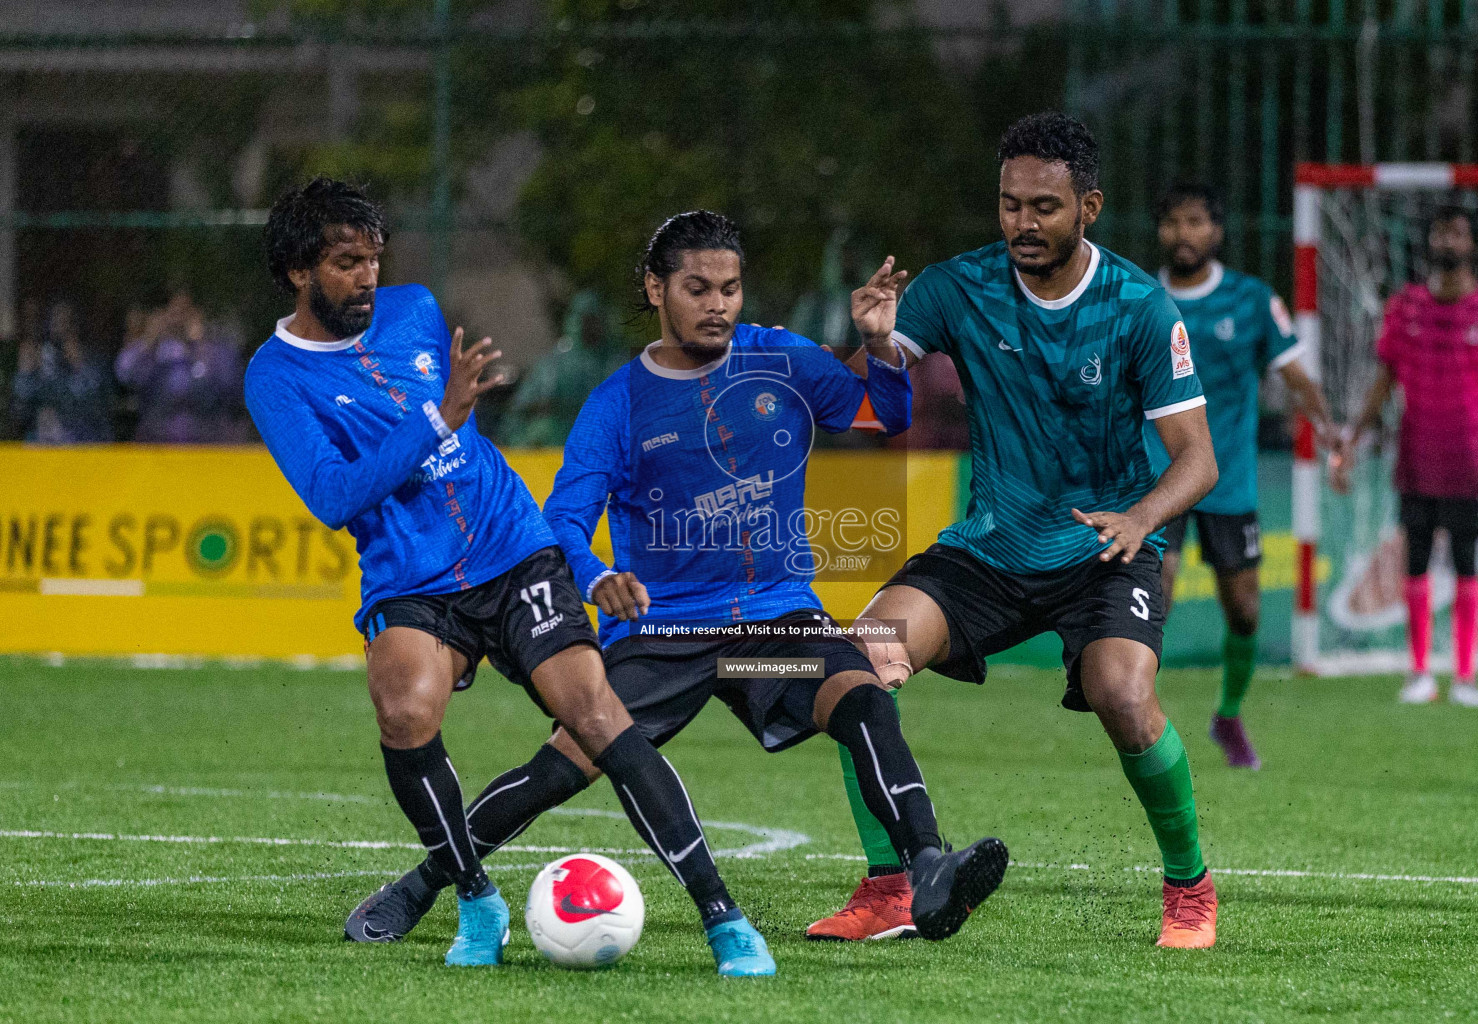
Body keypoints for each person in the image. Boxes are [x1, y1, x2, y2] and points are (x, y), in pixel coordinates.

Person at [349, 210, 1009, 950]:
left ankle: (928, 867)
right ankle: (423, 885)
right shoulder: (618, 402)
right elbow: (563, 522)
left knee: (859, 698)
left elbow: (881, 413)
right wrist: (597, 575)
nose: (718, 304)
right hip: (662, 637)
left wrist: (881, 344)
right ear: (656, 289)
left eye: (730, 288)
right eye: (698, 288)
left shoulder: (781, 361)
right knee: (561, 770)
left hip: (770, 627)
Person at [246, 178, 768, 975]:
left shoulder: (414, 308)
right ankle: (474, 898)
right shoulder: (275, 376)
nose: (368, 278)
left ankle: (724, 919)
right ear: (297, 271)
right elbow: (332, 495)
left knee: (595, 714)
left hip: (512, 548)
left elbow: (459, 436)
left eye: (374, 259)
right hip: (411, 580)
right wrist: (436, 420)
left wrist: (451, 430)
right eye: (347, 263)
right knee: (405, 709)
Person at [811, 112, 1223, 949]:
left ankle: (1189, 888)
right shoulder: (959, 286)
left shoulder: (1139, 306)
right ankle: (890, 886)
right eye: (1008, 206)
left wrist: (1142, 516)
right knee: (855, 663)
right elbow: (862, 406)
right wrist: (875, 346)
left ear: (1090, 208)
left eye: (1043, 207)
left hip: (1105, 547)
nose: (1022, 225)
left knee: (1123, 694)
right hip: (990, 549)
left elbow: (1197, 460)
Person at [1145, 183, 1338, 769]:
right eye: (1174, 222)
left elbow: (1296, 375)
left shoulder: (1252, 299)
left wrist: (1333, 436)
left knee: (1246, 610)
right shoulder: (1139, 298)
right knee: (1156, 599)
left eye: (1196, 221)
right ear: (1161, 232)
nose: (1184, 233)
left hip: (1229, 480)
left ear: (1216, 231)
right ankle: (1137, 716)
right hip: (1158, 476)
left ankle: (1228, 715)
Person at [1335, 206, 1478, 708]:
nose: (1448, 239)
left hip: (1476, 464)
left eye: (1457, 231)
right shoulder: (1405, 307)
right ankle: (1419, 673)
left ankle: (1465, 677)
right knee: (1415, 564)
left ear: (1472, 243)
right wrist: (1352, 442)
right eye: (1440, 231)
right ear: (1429, 242)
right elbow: (1382, 382)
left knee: (1467, 565)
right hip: (1416, 460)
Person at [496, 290, 624, 448]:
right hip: (551, 451)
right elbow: (518, 413)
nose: (587, 326)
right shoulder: (551, 367)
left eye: (592, 319)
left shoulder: (617, 364)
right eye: (582, 318)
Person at [116, 289, 247, 443]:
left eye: (184, 312)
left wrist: (200, 345)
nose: (179, 319)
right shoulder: (153, 350)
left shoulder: (216, 351)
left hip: (208, 445)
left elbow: (231, 385)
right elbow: (124, 375)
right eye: (173, 312)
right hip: (156, 445)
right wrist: (150, 339)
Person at [11, 300, 114, 444]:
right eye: (56, 322)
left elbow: (95, 402)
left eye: (66, 322)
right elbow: (21, 406)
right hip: (44, 446)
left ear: (76, 327)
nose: (60, 329)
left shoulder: (94, 360)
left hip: (83, 445)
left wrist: (79, 364)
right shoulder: (41, 357)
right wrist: (26, 371)